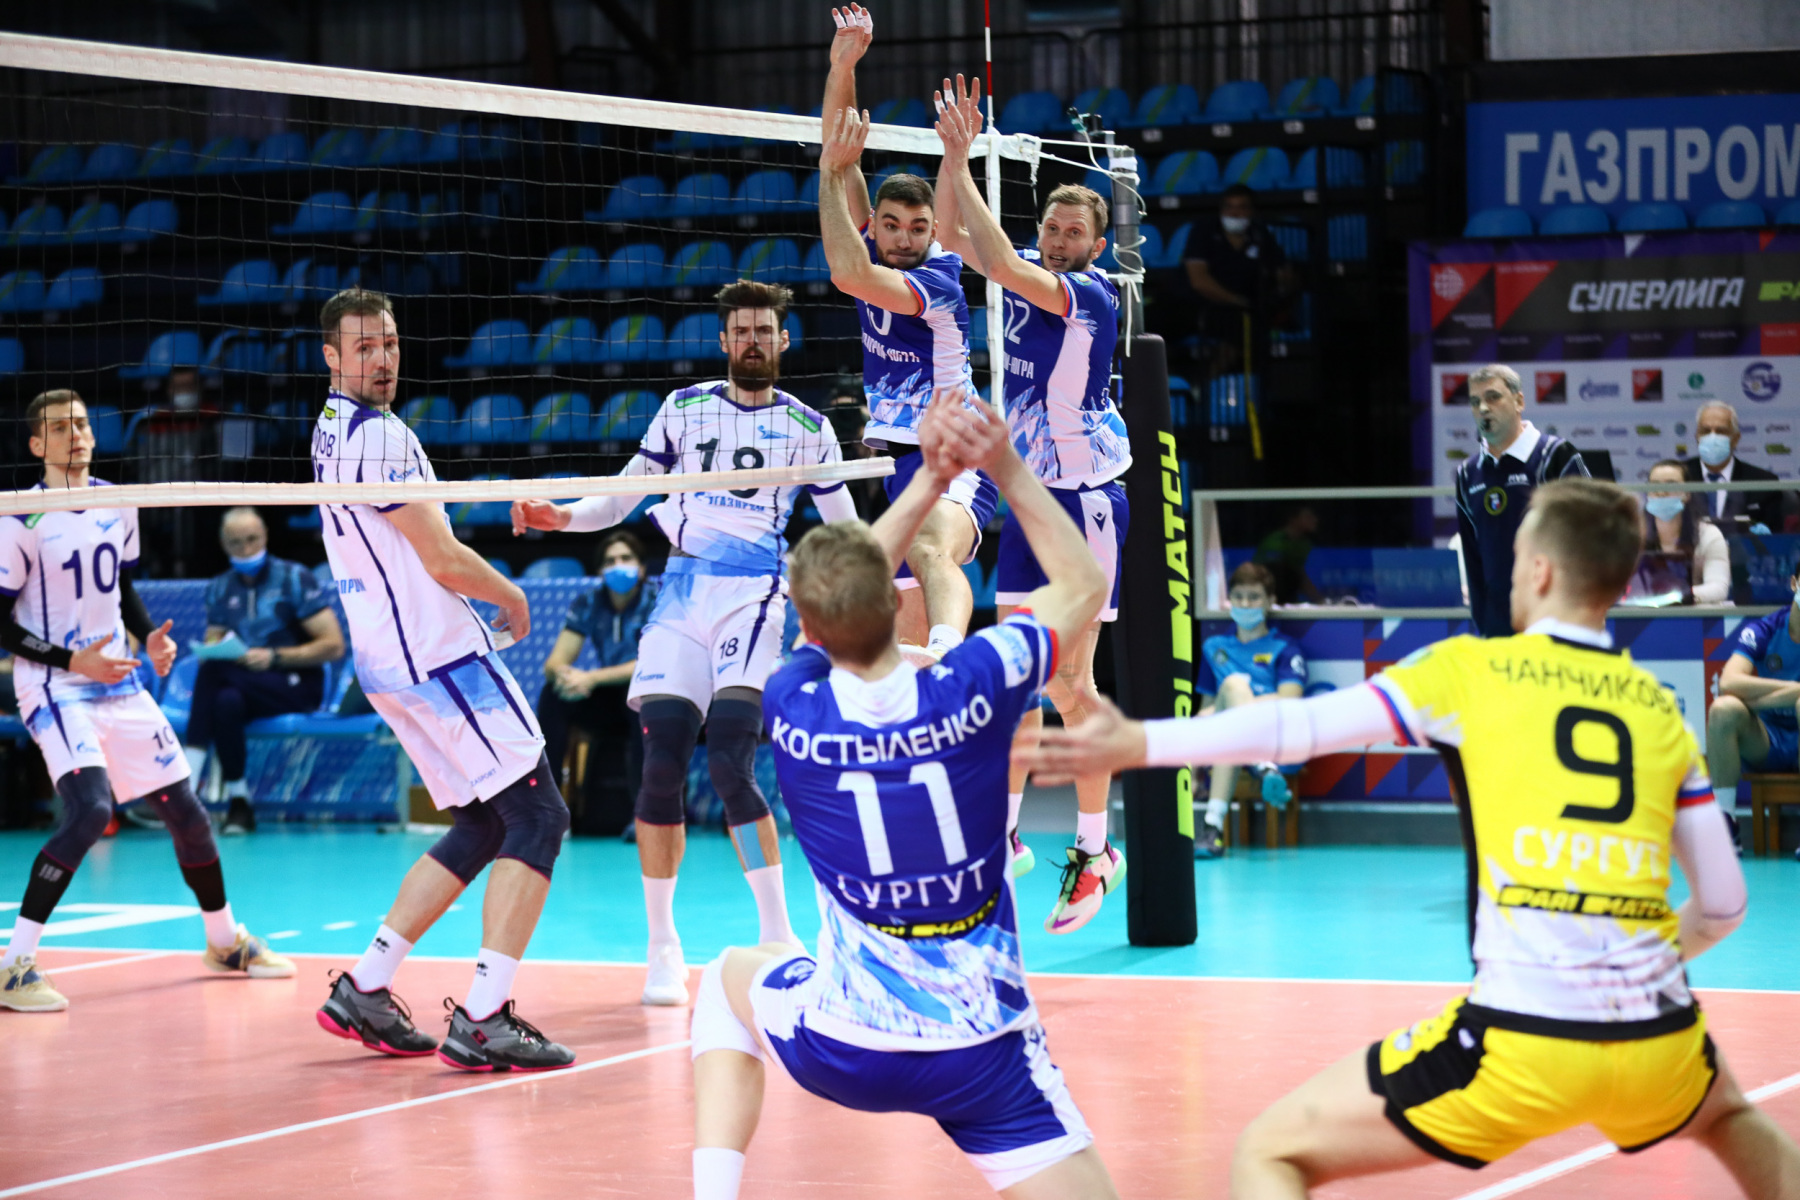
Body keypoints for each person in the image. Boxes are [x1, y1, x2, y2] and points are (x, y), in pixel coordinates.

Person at [1025, 478, 1800, 1199]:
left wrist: (1141, 741)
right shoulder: (1659, 709)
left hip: (1522, 1036)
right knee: (1734, 1121)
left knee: (1271, 1150)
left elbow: (1298, 728)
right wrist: (1632, 967)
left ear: (1536, 571)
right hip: (1658, 1033)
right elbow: (1724, 907)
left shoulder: (1471, 670)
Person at [687, 390, 1119, 1200]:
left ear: (808, 628)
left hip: (845, 1044)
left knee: (724, 980)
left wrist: (924, 483)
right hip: (982, 1053)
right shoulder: (976, 683)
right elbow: (1085, 584)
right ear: (897, 603)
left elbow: (838, 599)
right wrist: (996, 465)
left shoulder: (791, 703)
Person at [512, 279, 858, 1007]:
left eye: (765, 331)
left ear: (783, 340)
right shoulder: (684, 408)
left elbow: (847, 532)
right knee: (661, 762)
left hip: (753, 595)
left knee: (730, 759)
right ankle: (662, 947)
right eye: (742, 332)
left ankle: (778, 934)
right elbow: (619, 497)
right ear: (724, 340)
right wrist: (560, 517)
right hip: (681, 592)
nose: (753, 342)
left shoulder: (809, 427)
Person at [309, 289, 575, 1071]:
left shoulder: (329, 427)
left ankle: (365, 985)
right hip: (438, 658)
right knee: (539, 817)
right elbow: (441, 557)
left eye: (389, 344)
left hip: (389, 665)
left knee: (483, 824)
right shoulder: (381, 437)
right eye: (364, 348)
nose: (383, 360)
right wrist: (513, 595)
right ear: (331, 356)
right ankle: (485, 1017)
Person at [0, 389, 294, 1013]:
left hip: (119, 680)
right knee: (90, 810)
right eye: (60, 428)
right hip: (55, 684)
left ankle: (224, 941)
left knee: (185, 809)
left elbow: (122, 585)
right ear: (37, 444)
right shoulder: (17, 518)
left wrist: (147, 635)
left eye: (82, 424)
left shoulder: (117, 501)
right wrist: (70, 660)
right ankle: (13, 964)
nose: (76, 435)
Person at [928, 75, 1129, 932]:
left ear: (1097, 242)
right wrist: (950, 158)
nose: (1059, 239)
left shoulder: (1093, 294)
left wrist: (966, 158)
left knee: (1071, 683)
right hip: (1027, 500)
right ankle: (1004, 839)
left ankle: (1096, 849)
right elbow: (949, 235)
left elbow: (1001, 262)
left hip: (1085, 506)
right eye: (1051, 227)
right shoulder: (1025, 273)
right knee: (1019, 678)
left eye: (1073, 231)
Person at [817, 6, 997, 667]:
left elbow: (846, 271)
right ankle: (929, 684)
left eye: (917, 228)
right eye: (890, 224)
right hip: (900, 453)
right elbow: (842, 155)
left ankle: (952, 654)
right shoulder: (875, 245)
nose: (901, 237)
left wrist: (829, 172)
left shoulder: (938, 280)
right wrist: (843, 65)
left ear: (931, 233)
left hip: (956, 451)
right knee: (898, 613)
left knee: (928, 549)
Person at [190, 506, 346, 834]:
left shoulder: (295, 579)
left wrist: (274, 657)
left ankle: (186, 783)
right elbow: (213, 639)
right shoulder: (219, 588)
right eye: (236, 543)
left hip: (296, 684)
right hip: (245, 685)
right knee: (225, 701)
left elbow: (334, 645)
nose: (246, 549)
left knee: (215, 675)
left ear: (265, 537)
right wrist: (212, 649)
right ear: (223, 544)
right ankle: (239, 803)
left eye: (252, 539)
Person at [536, 531, 657, 836]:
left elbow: (652, 664)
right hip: (608, 700)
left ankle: (644, 816)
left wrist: (590, 678)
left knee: (640, 695)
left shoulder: (658, 601)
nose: (618, 566)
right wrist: (565, 676)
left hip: (649, 695)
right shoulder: (589, 602)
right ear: (601, 571)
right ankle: (546, 811)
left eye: (626, 559)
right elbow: (554, 663)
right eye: (610, 561)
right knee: (554, 695)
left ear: (642, 568)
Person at [1454, 363, 1588, 637]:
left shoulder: (1556, 456)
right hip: (1497, 630)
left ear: (1519, 401)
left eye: (1493, 397)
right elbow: (1473, 557)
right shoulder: (1467, 473)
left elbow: (1591, 538)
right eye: (1475, 402)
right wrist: (1484, 624)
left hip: (1557, 624)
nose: (1483, 408)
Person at [1192, 562, 1306, 859]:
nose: (1245, 604)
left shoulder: (1285, 647)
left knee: (1233, 690)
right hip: (1227, 731)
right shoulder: (1214, 647)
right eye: (1239, 596)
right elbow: (1206, 707)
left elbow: (1290, 700)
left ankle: (1212, 829)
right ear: (1230, 600)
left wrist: (1238, 701)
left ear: (1269, 601)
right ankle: (1263, 767)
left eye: (1254, 597)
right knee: (1230, 707)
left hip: (1272, 733)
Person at [1704, 557, 1800, 809]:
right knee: (1723, 709)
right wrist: (1795, 691)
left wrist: (1756, 702)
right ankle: (1725, 819)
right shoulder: (1767, 629)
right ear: (1794, 583)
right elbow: (1728, 682)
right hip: (1768, 740)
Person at [1182, 184, 1297, 375]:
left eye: (1242, 207)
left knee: (1246, 327)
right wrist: (1239, 301)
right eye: (1229, 207)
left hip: (1238, 312)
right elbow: (1199, 281)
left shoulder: (1260, 234)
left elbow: (1283, 272)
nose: (1234, 213)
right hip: (1195, 305)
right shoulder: (1204, 230)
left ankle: (1208, 384)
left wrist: (1285, 281)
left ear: (1252, 211)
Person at [1630, 459, 1729, 605]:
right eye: (1654, 485)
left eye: (1671, 485)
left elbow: (1718, 589)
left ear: (1687, 494)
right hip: (1641, 615)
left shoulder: (1708, 535)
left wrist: (1671, 598)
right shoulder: (1631, 535)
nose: (1661, 492)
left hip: (1694, 614)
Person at [1682, 401, 1783, 532]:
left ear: (1735, 439)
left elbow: (1777, 537)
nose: (1712, 437)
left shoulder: (1764, 482)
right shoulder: (1679, 476)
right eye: (1705, 431)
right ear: (1697, 437)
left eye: (1721, 431)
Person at [1254, 506, 1323, 604]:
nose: (1315, 520)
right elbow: (1273, 574)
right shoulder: (1275, 541)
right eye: (1308, 516)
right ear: (1293, 519)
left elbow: (1300, 575)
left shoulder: (1304, 544)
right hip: (1269, 596)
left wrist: (1320, 601)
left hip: (1289, 597)